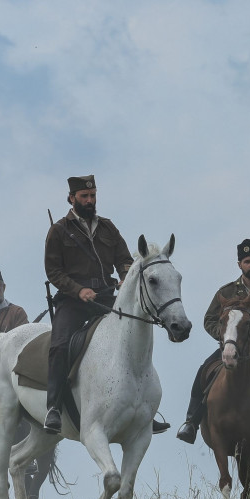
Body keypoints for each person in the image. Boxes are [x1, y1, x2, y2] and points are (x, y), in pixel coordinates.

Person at [43, 175, 170, 435]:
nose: (90, 201)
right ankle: (53, 408)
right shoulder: (59, 230)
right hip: (72, 302)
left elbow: (124, 260)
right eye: (84, 197)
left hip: (106, 297)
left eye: (93, 196)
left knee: (136, 333)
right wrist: (78, 290)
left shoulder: (108, 228)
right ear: (72, 198)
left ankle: (144, 408)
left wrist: (126, 277)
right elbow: (53, 271)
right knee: (59, 345)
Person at [176, 239, 250, 449]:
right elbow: (210, 320)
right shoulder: (227, 292)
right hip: (234, 348)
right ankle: (191, 422)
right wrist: (225, 338)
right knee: (204, 371)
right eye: (247, 261)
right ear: (239, 264)